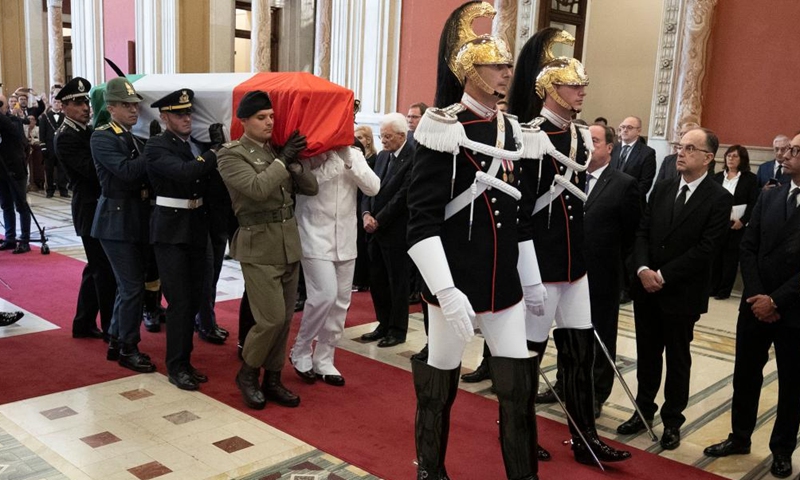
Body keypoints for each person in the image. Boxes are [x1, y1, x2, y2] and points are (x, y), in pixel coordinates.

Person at [407, 3, 543, 478]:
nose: (507, 72)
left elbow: (519, 215)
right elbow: (420, 223)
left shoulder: (511, 129)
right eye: (497, 65)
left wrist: (532, 281)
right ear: (470, 71)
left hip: (502, 286)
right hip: (457, 284)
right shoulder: (444, 128)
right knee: (438, 384)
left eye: (508, 65)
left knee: (518, 389)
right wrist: (444, 291)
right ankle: (430, 468)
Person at [508, 27, 631, 466]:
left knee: (580, 355)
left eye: (583, 86)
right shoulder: (530, 136)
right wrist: (529, 276)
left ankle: (584, 438)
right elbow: (521, 213)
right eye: (573, 85)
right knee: (528, 358)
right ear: (549, 89)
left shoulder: (580, 136)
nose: (581, 92)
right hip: (540, 266)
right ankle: (519, 433)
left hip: (573, 266)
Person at [616, 127, 732, 450]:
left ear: (708, 158)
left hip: (681, 293)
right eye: (681, 146)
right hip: (647, 290)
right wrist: (641, 269)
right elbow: (642, 230)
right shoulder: (664, 187)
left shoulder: (719, 198)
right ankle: (643, 411)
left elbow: (706, 249)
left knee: (677, 359)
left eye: (690, 149)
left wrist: (662, 275)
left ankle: (671, 421)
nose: (681, 152)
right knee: (647, 355)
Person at [703, 132, 800, 480]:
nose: (786, 154)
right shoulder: (770, 196)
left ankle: (782, 449)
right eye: (787, 148)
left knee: (792, 385)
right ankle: (739, 436)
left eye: (796, 150)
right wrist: (759, 296)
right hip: (755, 305)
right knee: (745, 376)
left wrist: (777, 300)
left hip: (794, 311)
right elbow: (748, 246)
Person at [217, 90, 318, 410]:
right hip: (258, 243)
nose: (269, 122)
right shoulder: (231, 154)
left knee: (285, 319)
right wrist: (282, 160)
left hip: (288, 242)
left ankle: (273, 378)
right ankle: (248, 373)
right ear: (243, 121)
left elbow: (311, 188)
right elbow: (257, 190)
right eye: (261, 118)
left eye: (272, 117)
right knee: (271, 318)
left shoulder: (277, 150)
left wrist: (295, 162)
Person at [144, 88, 220, 390]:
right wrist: (215, 151)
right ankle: (176, 366)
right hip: (170, 232)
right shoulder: (156, 146)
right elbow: (186, 174)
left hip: (196, 228)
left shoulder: (195, 145)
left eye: (189, 112)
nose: (186, 117)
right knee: (179, 302)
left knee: (195, 298)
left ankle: (186, 360)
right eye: (179, 113)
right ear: (164, 117)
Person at [290, 143, 380, 387]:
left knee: (340, 302)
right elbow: (306, 186)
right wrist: (331, 163)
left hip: (346, 238)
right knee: (323, 296)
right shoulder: (306, 155)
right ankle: (300, 349)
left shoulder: (354, 154)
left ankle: (325, 358)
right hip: (313, 234)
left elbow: (373, 187)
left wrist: (349, 160)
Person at [90, 77, 156, 372]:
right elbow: (126, 172)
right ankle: (129, 347)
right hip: (115, 221)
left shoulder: (130, 136)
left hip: (133, 219)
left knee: (126, 286)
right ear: (111, 108)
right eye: (127, 106)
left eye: (136, 105)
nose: (134, 110)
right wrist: (154, 149)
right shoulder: (102, 137)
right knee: (132, 287)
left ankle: (116, 340)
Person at [584, 124, 641, 418]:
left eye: (594, 141)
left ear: (609, 148)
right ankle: (565, 382)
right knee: (570, 333)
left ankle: (596, 393)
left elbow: (632, 233)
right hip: (569, 272)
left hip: (603, 275)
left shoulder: (623, 184)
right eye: (585, 140)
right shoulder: (570, 175)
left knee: (601, 335)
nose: (588, 145)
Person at [53, 77, 116, 339]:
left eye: (86, 101)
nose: (85, 107)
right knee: (103, 269)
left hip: (96, 206)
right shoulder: (67, 137)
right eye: (78, 103)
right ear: (64, 107)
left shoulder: (85, 131)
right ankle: (110, 326)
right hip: (88, 208)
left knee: (95, 267)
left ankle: (83, 323)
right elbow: (91, 171)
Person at [360, 113, 414, 348]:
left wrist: (378, 219)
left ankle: (397, 330)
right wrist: (365, 214)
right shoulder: (382, 157)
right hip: (374, 230)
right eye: (382, 136)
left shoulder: (413, 158)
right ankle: (383, 323)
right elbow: (367, 188)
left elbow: (403, 195)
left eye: (388, 136)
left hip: (396, 231)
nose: (383, 140)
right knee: (378, 280)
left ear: (402, 136)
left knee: (397, 282)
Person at [709, 145, 759, 300]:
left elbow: (754, 203)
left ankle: (724, 290)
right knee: (715, 256)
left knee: (730, 259)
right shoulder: (717, 177)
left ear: (742, 159)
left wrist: (743, 221)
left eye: (735, 156)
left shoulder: (750, 179)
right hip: (718, 223)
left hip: (737, 224)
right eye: (728, 155)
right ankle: (713, 288)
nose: (730, 159)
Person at [0, 94, 32, 254]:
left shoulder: (13, 121)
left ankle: (25, 239)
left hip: (15, 170)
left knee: (21, 205)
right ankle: (10, 238)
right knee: (5, 205)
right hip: (1, 170)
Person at [353, 125, 377, 291]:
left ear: (368, 140)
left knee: (362, 243)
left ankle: (362, 280)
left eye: (360, 138)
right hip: (356, 203)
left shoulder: (374, 159)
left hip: (364, 202)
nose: (358, 141)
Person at [39, 85, 70, 198]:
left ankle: (63, 189)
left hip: (61, 147)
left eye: (58, 102)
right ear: (51, 102)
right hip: (49, 147)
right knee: (49, 170)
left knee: (62, 169)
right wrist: (43, 147)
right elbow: (42, 133)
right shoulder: (45, 117)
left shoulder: (65, 116)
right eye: (54, 101)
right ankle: (50, 190)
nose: (56, 103)